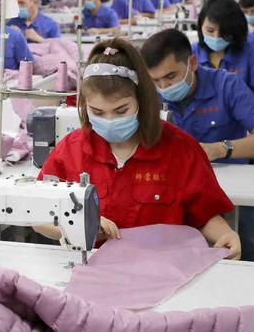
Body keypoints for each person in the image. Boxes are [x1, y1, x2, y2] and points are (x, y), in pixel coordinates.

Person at [33, 37, 240, 260]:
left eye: (121, 110)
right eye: (97, 112)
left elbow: (204, 214)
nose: (110, 119)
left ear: (142, 100)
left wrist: (226, 234)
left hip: (164, 272)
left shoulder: (181, 150)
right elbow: (39, 214)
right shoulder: (71, 150)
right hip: (94, 272)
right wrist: (79, 225)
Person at [141, 29, 254, 262]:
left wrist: (219, 149)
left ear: (192, 63)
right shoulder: (149, 96)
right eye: (155, 81)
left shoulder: (227, 85)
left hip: (231, 194)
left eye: (171, 77)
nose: (164, 87)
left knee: (243, 252)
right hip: (172, 192)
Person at [193, 0, 254, 104]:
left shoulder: (250, 53)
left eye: (224, 32)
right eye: (210, 30)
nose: (216, 37)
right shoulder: (189, 54)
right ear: (200, 26)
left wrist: (242, 109)